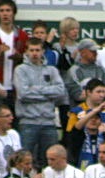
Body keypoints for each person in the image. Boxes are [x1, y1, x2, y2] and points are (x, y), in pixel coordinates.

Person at [14, 38, 68, 168]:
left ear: (43, 51)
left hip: (49, 123)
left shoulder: (52, 70)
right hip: (28, 122)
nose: (34, 53)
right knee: (24, 161)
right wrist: (49, 94)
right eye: (31, 50)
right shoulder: (20, 70)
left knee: (51, 162)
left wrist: (35, 88)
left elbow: (61, 91)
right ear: (26, 52)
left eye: (37, 50)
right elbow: (23, 94)